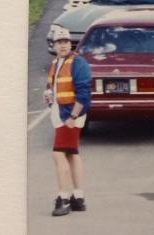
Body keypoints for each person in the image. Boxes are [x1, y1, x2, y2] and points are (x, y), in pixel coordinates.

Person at [45, 26, 92, 217]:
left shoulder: (78, 63)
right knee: (72, 154)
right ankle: (78, 198)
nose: (63, 45)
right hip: (60, 115)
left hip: (69, 116)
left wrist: (73, 117)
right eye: (59, 42)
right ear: (54, 45)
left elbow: (84, 94)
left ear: (70, 43)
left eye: (65, 41)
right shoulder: (56, 62)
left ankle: (63, 198)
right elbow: (53, 86)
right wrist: (49, 94)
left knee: (58, 155)